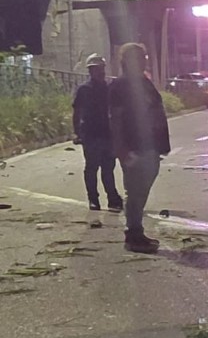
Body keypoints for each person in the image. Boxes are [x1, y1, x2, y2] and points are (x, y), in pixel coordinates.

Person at [108, 43, 171, 253]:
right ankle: (133, 233)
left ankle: (136, 231)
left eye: (144, 56)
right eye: (139, 57)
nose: (144, 60)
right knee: (135, 191)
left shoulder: (144, 82)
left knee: (141, 190)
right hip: (134, 146)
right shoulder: (120, 85)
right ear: (126, 61)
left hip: (150, 146)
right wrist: (121, 149)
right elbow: (115, 119)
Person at [72, 54, 123, 212]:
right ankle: (93, 200)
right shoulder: (84, 90)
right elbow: (77, 112)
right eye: (95, 69)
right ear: (90, 71)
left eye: (100, 69)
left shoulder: (109, 88)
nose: (98, 72)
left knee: (108, 168)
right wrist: (77, 133)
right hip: (91, 134)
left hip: (107, 134)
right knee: (92, 168)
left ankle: (112, 199)